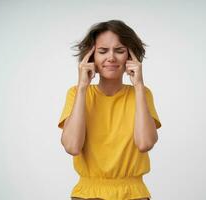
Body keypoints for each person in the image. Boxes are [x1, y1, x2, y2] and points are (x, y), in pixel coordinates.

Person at [58, 19, 162, 200]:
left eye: (120, 51)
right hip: (87, 194)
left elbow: (145, 143)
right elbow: (72, 146)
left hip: (133, 194)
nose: (111, 57)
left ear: (130, 57)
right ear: (91, 57)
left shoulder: (142, 94)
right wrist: (82, 86)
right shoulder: (76, 94)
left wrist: (138, 85)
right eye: (102, 51)